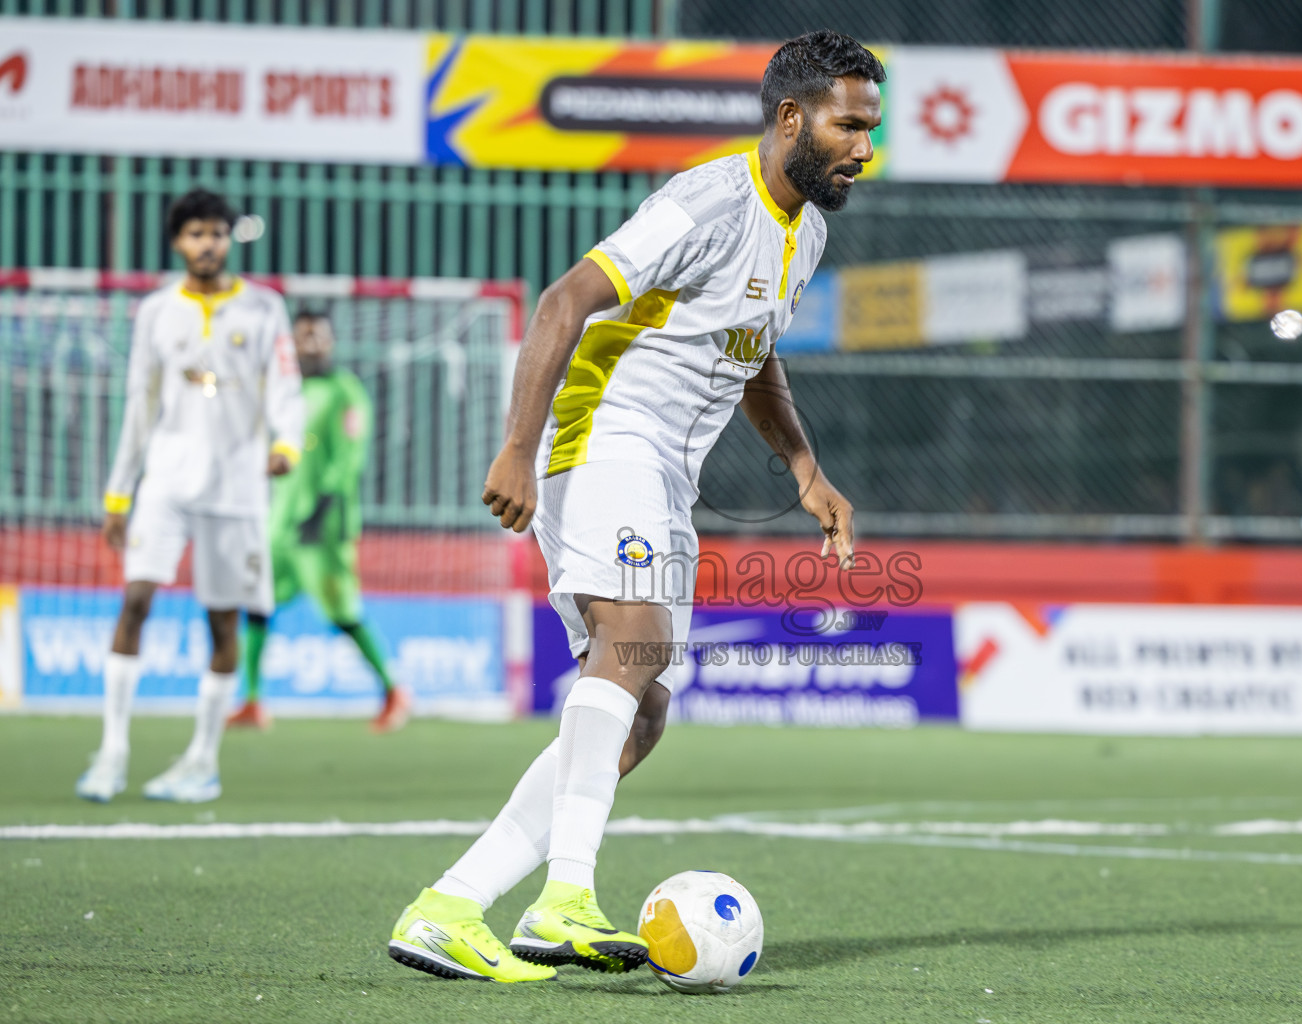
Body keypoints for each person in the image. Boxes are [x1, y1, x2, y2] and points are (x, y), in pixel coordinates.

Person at [387, 29, 880, 984]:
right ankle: (568, 895)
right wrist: (518, 451)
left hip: (666, 473)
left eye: (869, 127)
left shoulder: (806, 232)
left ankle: (453, 903)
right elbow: (564, 300)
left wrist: (804, 467)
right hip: (604, 436)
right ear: (792, 119)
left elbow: (753, 353)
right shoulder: (706, 200)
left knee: (645, 706)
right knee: (636, 643)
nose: (864, 146)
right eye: (848, 125)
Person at [74, 188, 304, 804]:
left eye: (218, 233)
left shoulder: (263, 308)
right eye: (197, 233)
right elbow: (138, 404)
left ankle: (202, 760)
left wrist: (288, 444)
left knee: (221, 622)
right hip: (166, 484)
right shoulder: (155, 311)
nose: (208, 244)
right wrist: (119, 496)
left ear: (229, 241)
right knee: (136, 600)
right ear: (178, 242)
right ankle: (112, 752)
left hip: (235, 487)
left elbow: (286, 383)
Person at [225, 310, 411, 733]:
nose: (310, 345)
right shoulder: (283, 392)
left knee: (342, 611)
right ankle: (252, 700)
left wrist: (323, 509)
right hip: (280, 522)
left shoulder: (346, 392)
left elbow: (350, 459)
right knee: (258, 603)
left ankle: (393, 690)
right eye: (303, 337)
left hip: (323, 524)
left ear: (331, 342)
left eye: (318, 337)